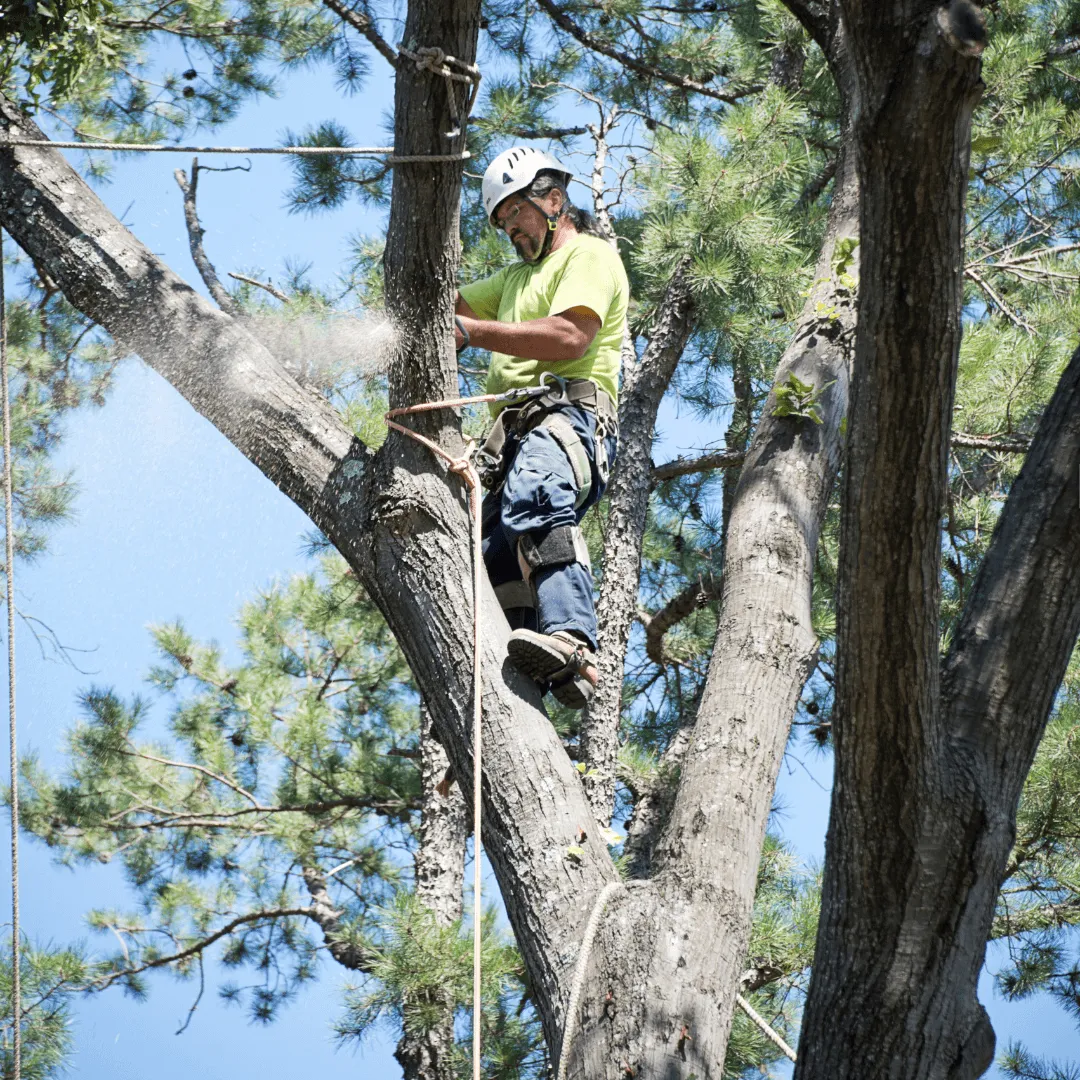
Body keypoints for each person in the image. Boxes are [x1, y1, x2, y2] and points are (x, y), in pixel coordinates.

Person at [455, 146, 630, 710]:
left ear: (553, 199)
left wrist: (474, 333)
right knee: (486, 556)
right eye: (502, 224)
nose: (511, 231)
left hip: (567, 418)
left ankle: (573, 638)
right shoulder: (510, 281)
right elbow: (446, 309)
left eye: (517, 216)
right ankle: (518, 680)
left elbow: (569, 337)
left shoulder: (589, 257)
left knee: (536, 496)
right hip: (508, 446)